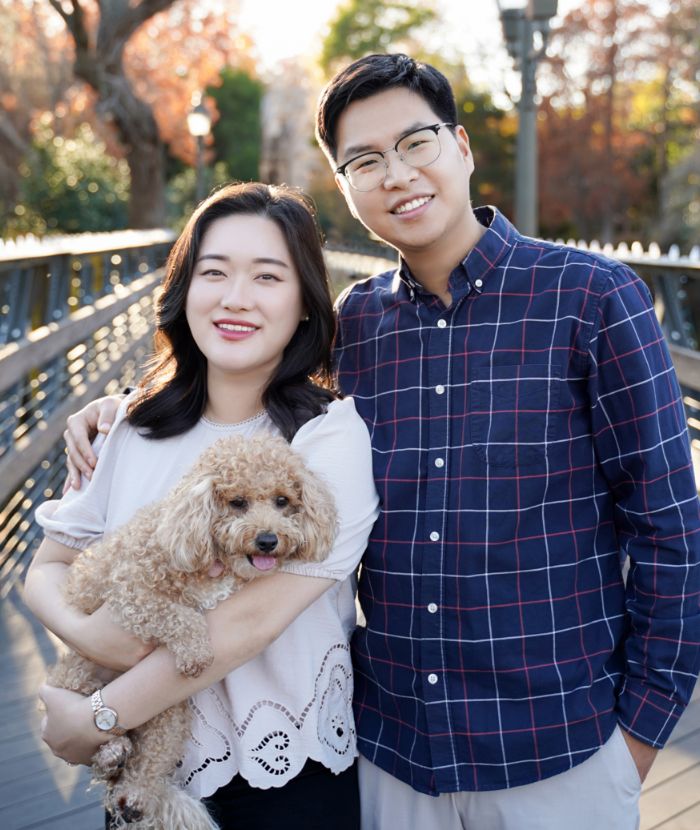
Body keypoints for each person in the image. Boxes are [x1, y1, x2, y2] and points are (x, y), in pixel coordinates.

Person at [61, 55, 700, 830]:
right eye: (364, 160)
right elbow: (249, 382)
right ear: (345, 188)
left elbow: (671, 528)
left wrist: (639, 734)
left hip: (558, 749)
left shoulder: (592, 299)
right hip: (392, 754)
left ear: (461, 146)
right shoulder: (353, 325)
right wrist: (119, 405)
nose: (396, 174)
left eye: (416, 143)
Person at [23, 181, 379, 830]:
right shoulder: (128, 424)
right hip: (143, 778)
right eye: (214, 272)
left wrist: (97, 718)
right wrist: (90, 636)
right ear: (185, 288)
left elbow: (247, 626)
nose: (236, 298)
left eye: (268, 277)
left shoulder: (328, 438)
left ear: (304, 301)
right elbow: (45, 568)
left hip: (288, 777)